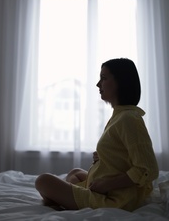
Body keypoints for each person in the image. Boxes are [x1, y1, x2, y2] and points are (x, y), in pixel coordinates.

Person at [35, 58, 159, 211]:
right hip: (108, 189)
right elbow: (124, 155)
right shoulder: (120, 115)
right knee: (75, 173)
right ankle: (64, 198)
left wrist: (107, 184)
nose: (98, 84)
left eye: (104, 78)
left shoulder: (128, 118)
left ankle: (63, 199)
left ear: (121, 82)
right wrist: (105, 157)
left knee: (43, 181)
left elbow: (148, 169)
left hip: (115, 199)